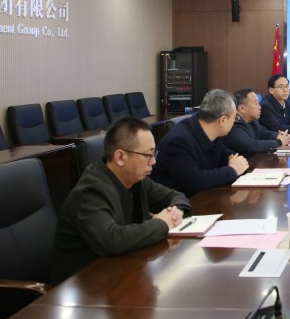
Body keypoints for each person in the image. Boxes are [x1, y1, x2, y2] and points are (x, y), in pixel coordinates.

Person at [51, 117, 191, 284]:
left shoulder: (136, 180)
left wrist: (176, 211)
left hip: (121, 269)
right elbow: (112, 240)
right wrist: (162, 223)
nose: (153, 162)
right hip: (83, 285)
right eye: (148, 155)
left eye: (154, 154)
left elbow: (176, 196)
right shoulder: (91, 191)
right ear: (120, 157)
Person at [150, 88, 249, 196]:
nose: (234, 122)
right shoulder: (179, 141)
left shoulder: (210, 132)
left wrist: (238, 163)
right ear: (223, 120)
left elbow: (226, 155)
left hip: (197, 197)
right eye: (234, 118)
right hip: (173, 202)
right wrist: (232, 170)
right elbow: (195, 180)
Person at [224, 88, 290, 157]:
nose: (259, 107)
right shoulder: (234, 125)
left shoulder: (252, 121)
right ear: (242, 108)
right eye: (256, 103)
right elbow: (252, 146)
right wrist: (279, 142)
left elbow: (264, 133)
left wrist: (278, 136)